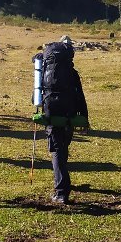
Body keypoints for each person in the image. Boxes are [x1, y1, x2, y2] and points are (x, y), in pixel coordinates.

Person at [38, 39, 88, 205]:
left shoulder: (44, 69)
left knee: (56, 149)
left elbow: (36, 95)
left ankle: (61, 192)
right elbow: (80, 94)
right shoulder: (72, 72)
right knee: (63, 145)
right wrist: (84, 118)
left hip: (51, 110)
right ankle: (63, 185)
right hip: (70, 111)